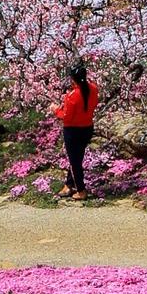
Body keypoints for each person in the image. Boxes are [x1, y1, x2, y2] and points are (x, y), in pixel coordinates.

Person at [53, 62, 98, 197]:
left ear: (73, 79)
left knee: (75, 161)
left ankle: (81, 191)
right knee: (76, 158)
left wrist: (55, 110)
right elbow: (93, 105)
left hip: (73, 131)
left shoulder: (72, 96)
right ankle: (68, 185)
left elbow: (66, 117)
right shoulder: (94, 89)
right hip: (87, 128)